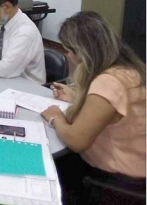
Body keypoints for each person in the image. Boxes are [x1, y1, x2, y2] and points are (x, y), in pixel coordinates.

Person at [40, 11, 146, 203]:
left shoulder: (108, 82)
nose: (68, 56)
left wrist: (56, 117)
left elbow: (76, 140)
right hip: (138, 171)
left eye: (68, 50)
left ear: (81, 53)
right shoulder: (128, 70)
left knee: (49, 164)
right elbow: (110, 111)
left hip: (116, 181)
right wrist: (77, 97)